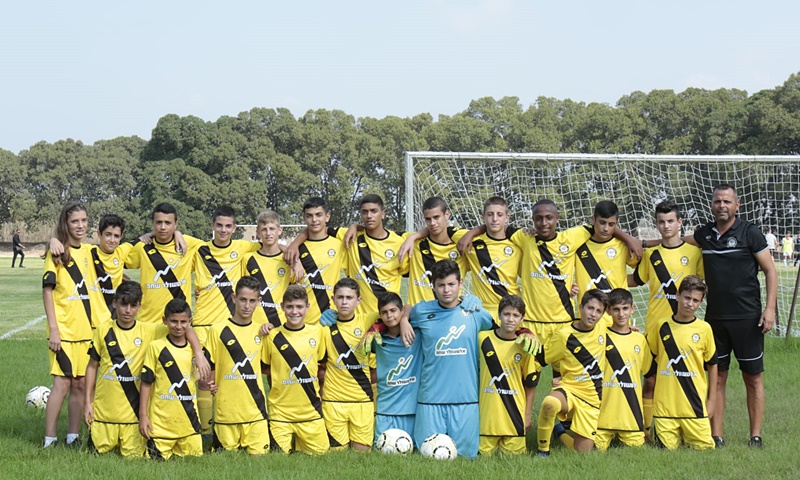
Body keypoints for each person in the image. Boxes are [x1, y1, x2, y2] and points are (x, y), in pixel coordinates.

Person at [686, 183, 776, 448]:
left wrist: (770, 309)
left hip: (748, 319)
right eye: (717, 201)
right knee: (718, 377)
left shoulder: (750, 233)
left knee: (753, 377)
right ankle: (716, 435)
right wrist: (642, 242)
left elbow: (770, 270)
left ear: (737, 205)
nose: (721, 206)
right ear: (712, 205)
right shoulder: (704, 234)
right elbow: (677, 242)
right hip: (715, 320)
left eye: (727, 201)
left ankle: (755, 436)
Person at [84, 281, 207, 457]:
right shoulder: (102, 331)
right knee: (94, 456)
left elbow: (184, 328)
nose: (128, 310)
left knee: (134, 459)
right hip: (104, 414)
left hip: (133, 418)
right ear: (115, 303)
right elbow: (91, 367)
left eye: (133, 305)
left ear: (139, 307)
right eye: (124, 304)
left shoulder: (150, 330)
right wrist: (87, 402)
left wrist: (199, 353)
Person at [406, 259, 495, 459]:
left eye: (451, 284)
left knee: (466, 458)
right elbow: (394, 314)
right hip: (430, 400)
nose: (447, 290)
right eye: (441, 285)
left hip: (466, 400)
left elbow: (504, 330)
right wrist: (404, 319)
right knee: (426, 456)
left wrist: (526, 332)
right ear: (433, 286)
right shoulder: (421, 312)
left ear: (460, 283)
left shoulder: (475, 312)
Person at [631, 200, 703, 432]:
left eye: (671, 221)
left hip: (684, 329)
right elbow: (637, 280)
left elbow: (703, 286)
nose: (666, 226)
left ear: (680, 222)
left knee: (683, 378)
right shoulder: (651, 254)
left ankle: (685, 425)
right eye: (661, 222)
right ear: (656, 224)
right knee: (651, 380)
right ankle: (645, 430)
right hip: (655, 326)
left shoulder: (694, 253)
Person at [191, 205, 261, 434]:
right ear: (212, 225)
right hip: (203, 323)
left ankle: (229, 423)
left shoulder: (243, 247)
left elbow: (273, 246)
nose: (223, 230)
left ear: (234, 228)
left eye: (228, 226)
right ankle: (205, 431)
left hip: (230, 326)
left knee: (229, 377)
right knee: (203, 378)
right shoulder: (199, 249)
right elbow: (172, 238)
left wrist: (295, 258)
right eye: (219, 225)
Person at [42, 202, 97, 448]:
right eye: (75, 221)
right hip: (63, 332)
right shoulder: (56, 252)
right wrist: (54, 329)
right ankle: (50, 439)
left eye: (84, 220)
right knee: (62, 384)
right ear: (66, 223)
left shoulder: (90, 251)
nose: (80, 225)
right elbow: (47, 291)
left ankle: (73, 437)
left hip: (87, 332)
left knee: (80, 384)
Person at [648, 275, 718, 450]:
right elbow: (651, 358)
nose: (690, 304)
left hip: (694, 406)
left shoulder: (704, 329)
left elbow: (712, 364)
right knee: (664, 450)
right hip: (665, 408)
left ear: (700, 303)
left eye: (695, 300)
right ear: (678, 296)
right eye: (687, 298)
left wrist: (711, 401)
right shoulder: (661, 325)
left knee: (704, 450)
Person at [535, 290, 608, 456]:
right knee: (550, 403)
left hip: (592, 398)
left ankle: (560, 431)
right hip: (570, 389)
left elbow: (618, 327)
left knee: (583, 454)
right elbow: (542, 359)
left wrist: (630, 329)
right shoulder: (564, 335)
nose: (593, 314)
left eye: (599, 311)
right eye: (590, 308)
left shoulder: (602, 327)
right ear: (580, 307)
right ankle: (542, 451)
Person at [204, 276, 270, 455]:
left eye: (252, 301)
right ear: (234, 298)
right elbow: (210, 364)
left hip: (256, 412)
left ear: (259, 301)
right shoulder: (217, 330)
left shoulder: (262, 332)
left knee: (261, 460)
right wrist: (211, 382)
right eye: (243, 300)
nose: (247, 306)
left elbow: (268, 367)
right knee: (224, 460)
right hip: (226, 413)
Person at [262, 285, 329, 454]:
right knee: (277, 459)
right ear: (282, 307)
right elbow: (267, 370)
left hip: (311, 411)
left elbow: (322, 367)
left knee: (321, 457)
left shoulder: (317, 332)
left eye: (299, 307)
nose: (294, 312)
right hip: (280, 413)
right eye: (290, 306)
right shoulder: (271, 335)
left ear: (307, 307)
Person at [139, 299, 203, 459]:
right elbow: (146, 382)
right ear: (164, 320)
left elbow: (200, 376)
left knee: (195, 463)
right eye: (174, 321)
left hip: (189, 425)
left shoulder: (195, 349)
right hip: (160, 426)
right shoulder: (156, 347)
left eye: (183, 322)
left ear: (190, 321)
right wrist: (143, 415)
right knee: (155, 464)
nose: (178, 326)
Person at [319, 278, 378, 451]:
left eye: (349, 297)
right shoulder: (324, 326)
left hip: (362, 400)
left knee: (361, 453)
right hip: (333, 400)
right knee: (337, 454)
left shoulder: (367, 320)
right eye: (340, 297)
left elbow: (399, 310)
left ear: (359, 300)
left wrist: (403, 321)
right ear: (333, 299)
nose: (344, 302)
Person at [478, 295, 540, 455]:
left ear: (522, 319)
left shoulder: (525, 345)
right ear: (499, 315)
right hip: (487, 420)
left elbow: (530, 383)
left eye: (515, 315)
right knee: (481, 459)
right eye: (506, 314)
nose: (510, 319)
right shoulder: (482, 338)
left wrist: (527, 415)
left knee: (515, 460)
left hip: (514, 417)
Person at [125, 203, 203, 324]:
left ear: (176, 224)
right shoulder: (142, 247)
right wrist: (139, 238)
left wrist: (178, 233)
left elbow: (216, 249)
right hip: (148, 322)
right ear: (152, 223)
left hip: (177, 323)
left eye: (168, 223)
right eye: (159, 222)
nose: (163, 227)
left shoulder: (187, 244)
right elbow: (115, 258)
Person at [595, 289, 652, 451]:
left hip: (630, 416)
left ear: (632, 309)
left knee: (636, 451)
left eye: (625, 308)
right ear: (608, 311)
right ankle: (561, 432)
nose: (621, 314)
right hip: (603, 415)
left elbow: (648, 373)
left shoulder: (639, 339)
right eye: (616, 309)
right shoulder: (599, 336)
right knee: (589, 450)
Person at [368, 292, 421, 446]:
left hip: (411, 409)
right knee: (382, 449)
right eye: (384, 312)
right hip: (385, 408)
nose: (389, 316)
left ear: (401, 311)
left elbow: (412, 307)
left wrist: (405, 319)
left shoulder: (417, 334)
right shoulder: (376, 338)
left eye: (393, 311)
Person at [574, 201, 637, 327]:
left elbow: (642, 273)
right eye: (602, 222)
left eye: (611, 224)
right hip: (588, 321)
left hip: (617, 322)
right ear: (593, 220)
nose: (606, 228)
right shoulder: (578, 246)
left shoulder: (623, 246)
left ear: (616, 224)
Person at [396, 197, 468, 305]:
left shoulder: (462, 246)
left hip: (450, 312)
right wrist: (412, 237)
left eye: (436, 217)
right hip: (419, 313)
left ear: (447, 214)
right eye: (428, 219)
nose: (432, 223)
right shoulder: (414, 243)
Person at [287, 198, 348, 325]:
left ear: (327, 217)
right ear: (304, 218)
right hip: (302, 319)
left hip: (329, 317)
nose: (314, 220)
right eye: (309, 216)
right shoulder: (296, 250)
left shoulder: (339, 246)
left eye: (318, 215)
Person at [241, 211, 292, 327]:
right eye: (264, 229)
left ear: (280, 230)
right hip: (255, 323)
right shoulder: (248, 259)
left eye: (272, 229)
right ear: (258, 232)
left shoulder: (288, 260)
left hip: (281, 322)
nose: (268, 233)